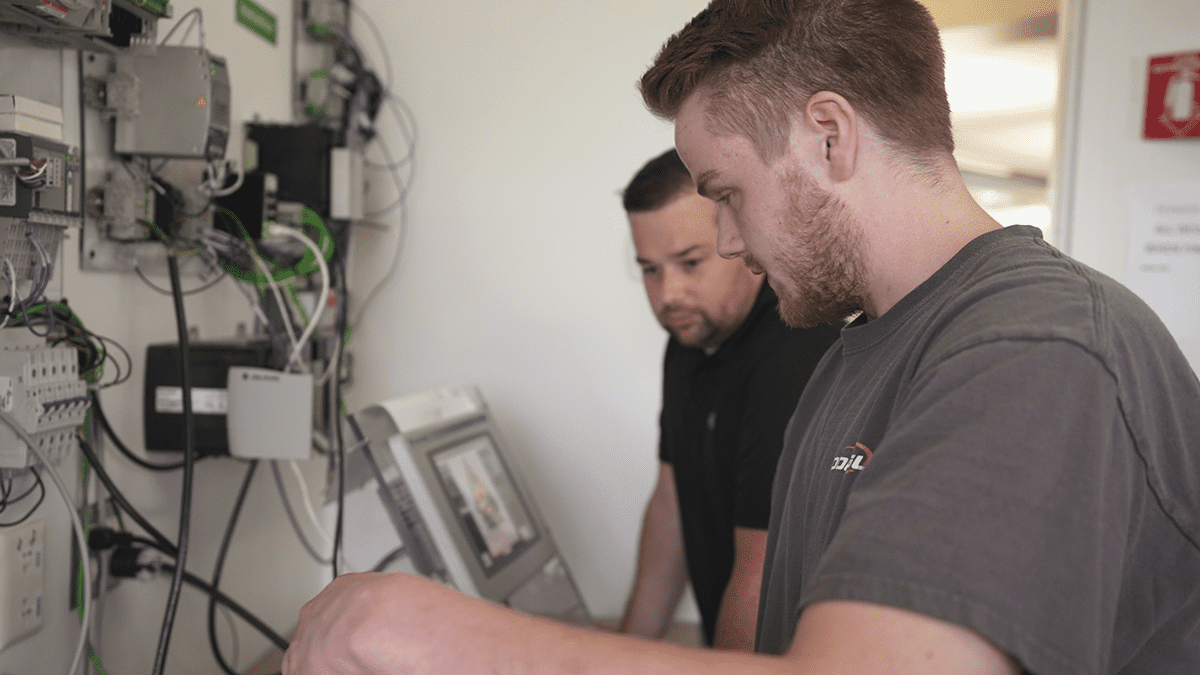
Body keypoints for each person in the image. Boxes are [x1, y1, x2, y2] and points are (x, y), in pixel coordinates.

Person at [281, 1, 1200, 673]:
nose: (727, 242)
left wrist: (415, 626)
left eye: (725, 193)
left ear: (830, 137)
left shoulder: (1038, 351)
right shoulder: (859, 351)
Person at [616, 149, 840, 649]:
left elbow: (761, 576)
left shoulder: (795, 352)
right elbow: (671, 508)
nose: (669, 293)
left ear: (738, 237)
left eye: (689, 262)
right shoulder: (689, 340)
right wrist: (621, 656)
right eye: (650, 270)